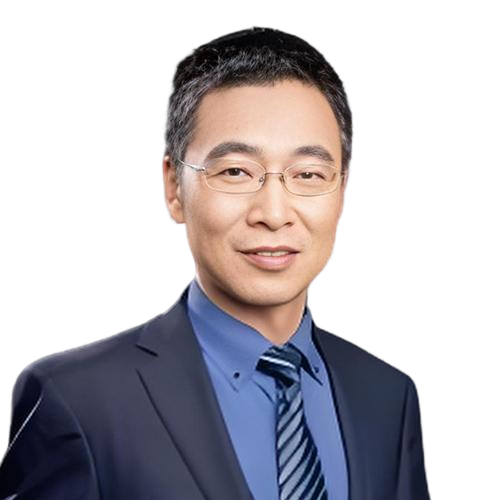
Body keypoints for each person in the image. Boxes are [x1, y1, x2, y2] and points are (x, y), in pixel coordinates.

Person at [0, 23, 434, 500]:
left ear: (344, 188)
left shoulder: (390, 395)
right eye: (235, 171)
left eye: (309, 174)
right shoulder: (76, 399)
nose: (273, 213)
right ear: (173, 188)